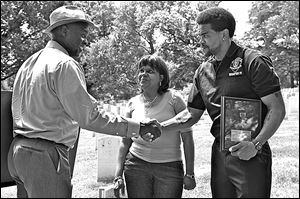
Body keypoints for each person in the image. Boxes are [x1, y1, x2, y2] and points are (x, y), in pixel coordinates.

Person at [7, 5, 161, 198]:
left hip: (18, 153)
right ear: (64, 30)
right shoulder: (64, 64)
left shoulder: (29, 63)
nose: (84, 40)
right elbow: (89, 116)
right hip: (45, 156)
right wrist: (138, 127)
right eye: (82, 33)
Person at [160, 7, 286, 198]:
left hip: (251, 152)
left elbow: (277, 109)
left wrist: (256, 145)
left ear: (224, 34)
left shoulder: (253, 61)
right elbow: (191, 114)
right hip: (219, 154)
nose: (200, 40)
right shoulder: (202, 71)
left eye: (205, 35)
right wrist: (160, 127)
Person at [113, 54, 196, 198]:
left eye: (150, 71)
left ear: (162, 78)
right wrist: (118, 175)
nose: (143, 74)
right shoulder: (132, 103)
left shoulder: (175, 99)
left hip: (169, 168)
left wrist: (190, 173)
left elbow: (187, 139)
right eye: (141, 70)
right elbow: (125, 141)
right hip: (135, 166)